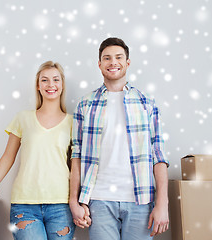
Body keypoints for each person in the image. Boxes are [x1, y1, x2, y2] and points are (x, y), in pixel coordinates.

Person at [0, 61, 75, 240]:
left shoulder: (73, 123)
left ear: (62, 85)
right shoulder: (23, 118)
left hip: (61, 205)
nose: (50, 85)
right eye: (44, 80)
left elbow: (78, 164)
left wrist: (80, 202)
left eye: (55, 80)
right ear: (38, 85)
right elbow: (7, 157)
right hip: (24, 205)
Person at [69, 37, 169, 240]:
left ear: (127, 62)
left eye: (118, 57)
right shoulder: (85, 104)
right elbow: (76, 156)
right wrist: (74, 200)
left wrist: (162, 204)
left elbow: (158, 155)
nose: (112, 62)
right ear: (99, 64)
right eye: (107, 58)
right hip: (98, 200)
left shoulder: (146, 103)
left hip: (140, 201)